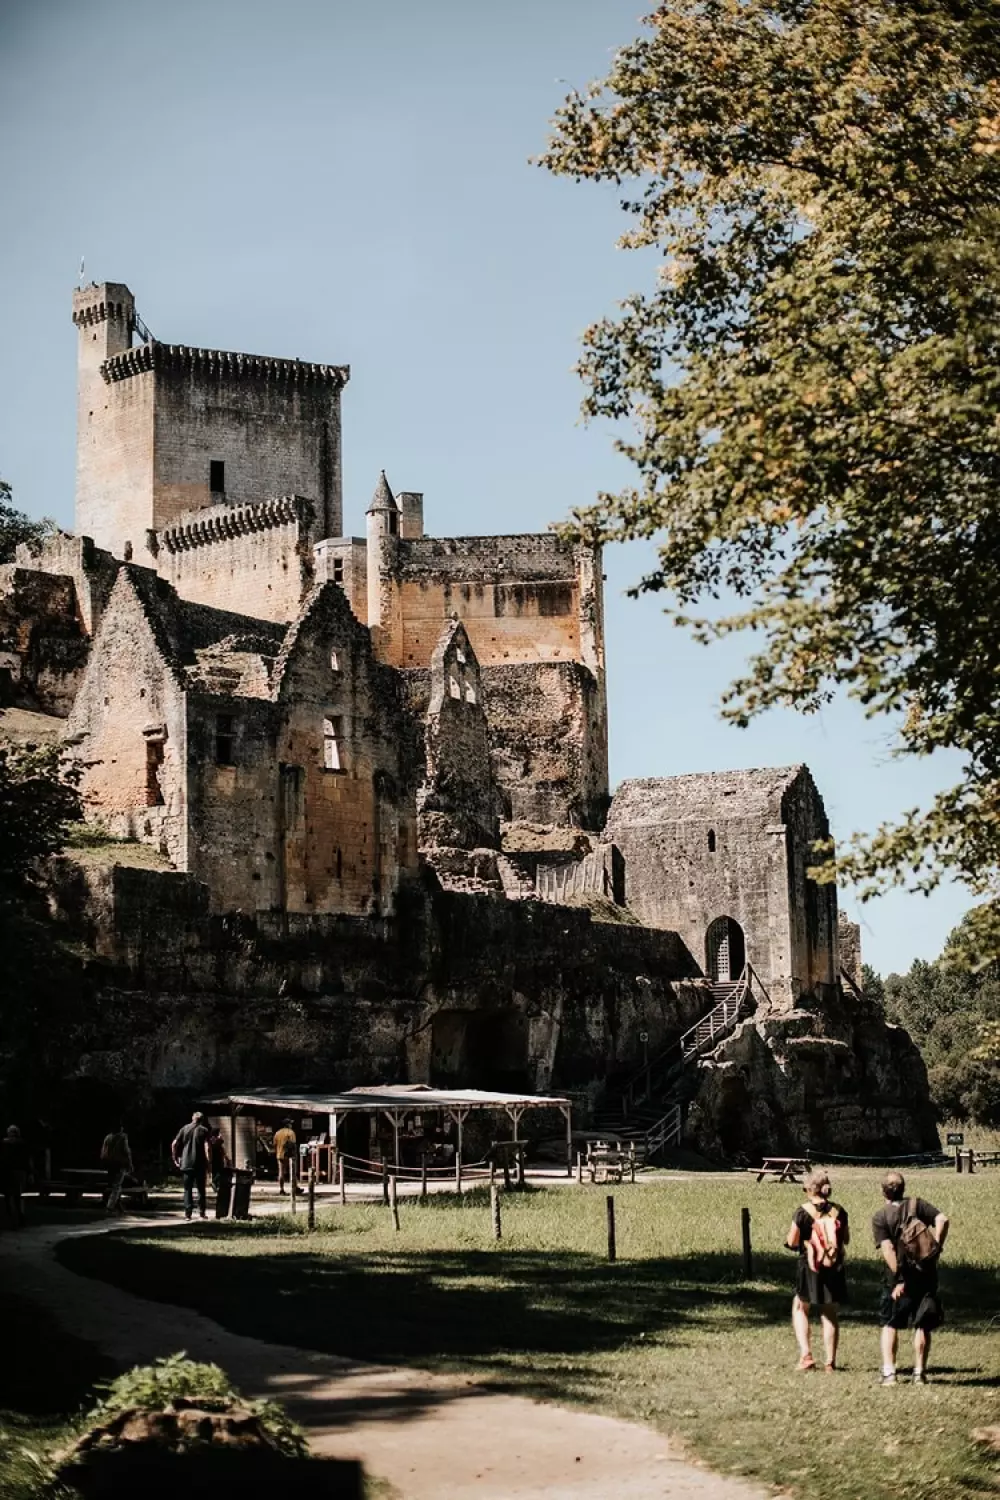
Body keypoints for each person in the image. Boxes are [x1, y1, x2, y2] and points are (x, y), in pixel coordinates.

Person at [872, 1170, 949, 1385]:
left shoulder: (881, 1216)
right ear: (903, 1188)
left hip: (897, 1279)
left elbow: (888, 1250)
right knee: (922, 1324)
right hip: (925, 1275)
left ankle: (889, 1374)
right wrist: (937, 1248)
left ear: (883, 1192)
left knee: (890, 1324)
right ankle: (919, 1373)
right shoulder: (918, 1205)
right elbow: (943, 1219)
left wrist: (898, 1278)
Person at [785, 1168, 850, 1372]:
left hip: (810, 1264)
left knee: (800, 1307)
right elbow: (845, 1239)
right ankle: (830, 1361)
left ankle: (806, 1356)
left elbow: (792, 1240)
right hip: (834, 1264)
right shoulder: (840, 1211)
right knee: (829, 1312)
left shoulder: (803, 1212)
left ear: (809, 1189)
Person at [171, 1111, 211, 1220]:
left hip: (186, 1162)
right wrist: (208, 1163)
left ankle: (188, 1214)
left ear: (192, 1118)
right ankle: (202, 1213)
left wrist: (175, 1158)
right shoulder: (204, 1130)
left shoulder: (184, 1129)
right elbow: (206, 1147)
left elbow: (174, 1144)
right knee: (201, 1189)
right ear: (202, 1120)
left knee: (187, 1189)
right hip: (199, 1164)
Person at [100, 1123, 133, 1215]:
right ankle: (110, 1206)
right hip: (119, 1164)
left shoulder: (108, 1137)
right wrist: (130, 1164)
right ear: (120, 1128)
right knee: (117, 1186)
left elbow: (103, 1152)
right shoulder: (122, 1137)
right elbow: (126, 1151)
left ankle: (119, 1207)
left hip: (109, 1164)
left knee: (116, 1185)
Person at [1, 1124, 28, 1229]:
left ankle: (14, 1218)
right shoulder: (20, 1144)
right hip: (13, 1172)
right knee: (14, 1196)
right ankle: (17, 1218)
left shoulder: (6, 1144)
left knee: (11, 1196)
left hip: (11, 1172)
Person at [273, 1119, 297, 1195]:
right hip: (289, 1155)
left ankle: (281, 1189)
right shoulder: (291, 1132)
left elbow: (274, 1144)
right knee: (293, 1172)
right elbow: (293, 1144)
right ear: (288, 1124)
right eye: (290, 1123)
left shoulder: (277, 1133)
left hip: (279, 1155)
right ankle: (294, 1188)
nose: (291, 1125)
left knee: (281, 1172)